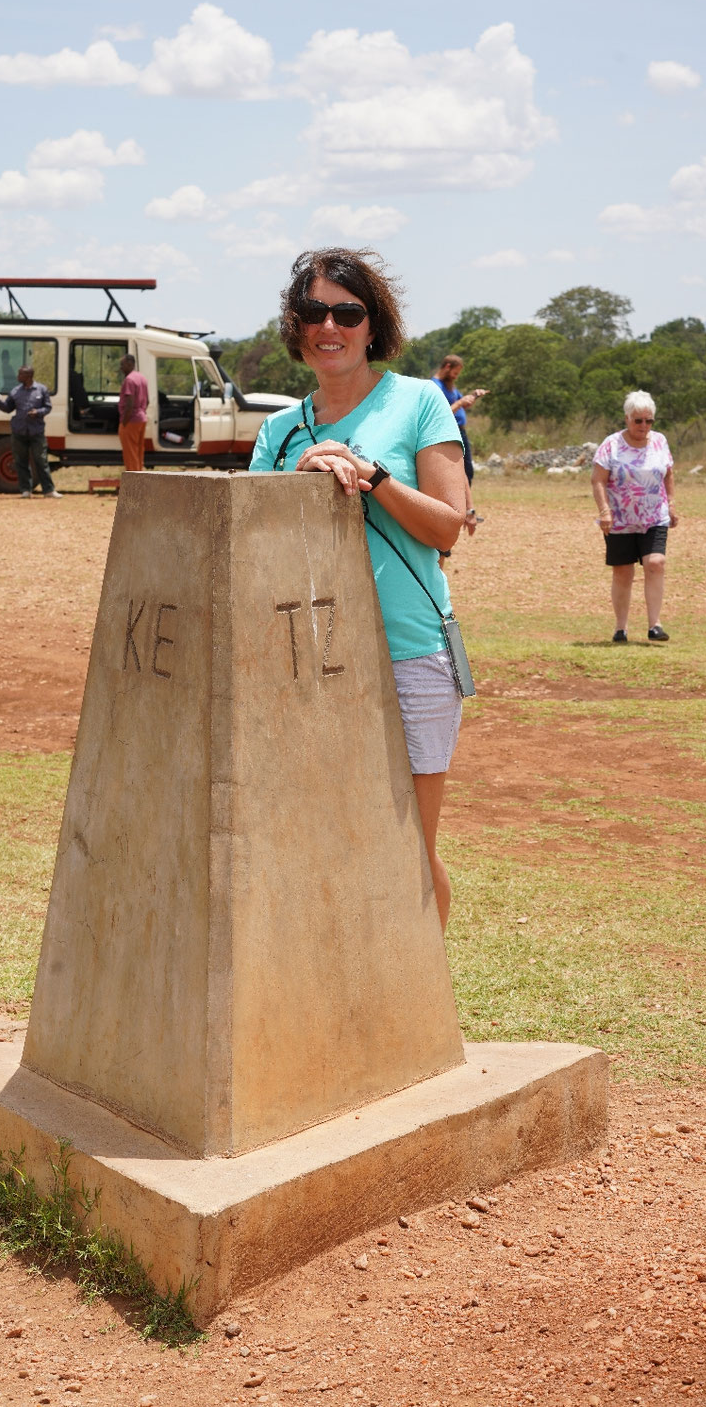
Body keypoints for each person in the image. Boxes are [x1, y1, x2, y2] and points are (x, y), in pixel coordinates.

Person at [249, 247, 467, 931]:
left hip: (408, 653)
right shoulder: (280, 432)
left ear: (375, 326)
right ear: (295, 326)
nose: (330, 326)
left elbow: (448, 529)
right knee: (318, 841)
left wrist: (370, 474)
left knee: (408, 846)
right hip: (304, 663)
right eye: (313, 312)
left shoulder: (419, 402)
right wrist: (301, 475)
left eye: (347, 311)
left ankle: (419, 1019)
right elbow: (250, 550)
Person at [591, 390, 677, 642]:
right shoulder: (611, 444)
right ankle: (621, 627)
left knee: (655, 563)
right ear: (627, 419)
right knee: (623, 571)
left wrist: (671, 504)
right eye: (638, 420)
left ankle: (655, 625)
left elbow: (669, 473)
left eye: (648, 421)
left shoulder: (660, 441)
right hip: (619, 519)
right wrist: (604, 511)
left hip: (654, 516)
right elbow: (598, 479)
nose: (644, 426)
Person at [431, 354, 485, 540]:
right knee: (457, 473)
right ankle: (456, 511)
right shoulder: (434, 387)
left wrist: (473, 397)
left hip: (461, 432)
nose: (455, 376)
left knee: (467, 472)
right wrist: (461, 403)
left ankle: (463, 510)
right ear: (446, 367)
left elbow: (461, 404)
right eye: (454, 372)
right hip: (447, 433)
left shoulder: (450, 387)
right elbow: (443, 412)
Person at [0, 366, 61, 498]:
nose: (18, 377)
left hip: (36, 431)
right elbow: (7, 408)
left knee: (41, 460)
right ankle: (25, 490)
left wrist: (37, 412)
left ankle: (49, 490)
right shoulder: (16, 391)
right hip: (19, 431)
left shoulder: (41, 389)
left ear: (29, 376)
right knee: (20, 460)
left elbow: (48, 407)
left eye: (21, 374)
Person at [118, 354, 149, 471]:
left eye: (122, 364)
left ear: (130, 364)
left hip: (131, 421)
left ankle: (133, 483)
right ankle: (139, 478)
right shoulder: (142, 378)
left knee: (130, 453)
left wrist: (124, 423)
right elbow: (148, 401)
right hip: (141, 419)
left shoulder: (129, 380)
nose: (121, 368)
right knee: (138, 452)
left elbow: (129, 403)